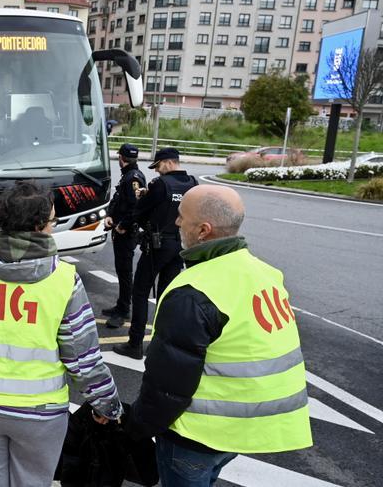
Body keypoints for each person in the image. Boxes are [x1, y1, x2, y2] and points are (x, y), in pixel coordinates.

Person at [127, 185, 312, 485]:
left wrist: (136, 426)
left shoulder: (193, 291)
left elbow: (167, 387)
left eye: (181, 217)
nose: (176, 222)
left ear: (203, 230)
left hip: (197, 436)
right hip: (243, 433)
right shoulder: (266, 274)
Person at [0, 181, 122, 487]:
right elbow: (83, 358)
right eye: (52, 221)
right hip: (41, 413)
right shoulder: (64, 280)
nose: (53, 226)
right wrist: (108, 405)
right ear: (39, 226)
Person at [114, 148, 197, 359]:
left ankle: (135, 343)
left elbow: (140, 211)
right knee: (165, 296)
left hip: (157, 245)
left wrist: (125, 224)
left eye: (158, 166)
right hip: (180, 246)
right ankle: (161, 343)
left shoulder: (161, 184)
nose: (157, 171)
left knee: (140, 292)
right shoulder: (192, 183)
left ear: (168, 163)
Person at [102, 143, 146, 325]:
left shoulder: (133, 178)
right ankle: (121, 305)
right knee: (121, 270)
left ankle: (123, 310)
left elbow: (136, 207)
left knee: (125, 272)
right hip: (121, 229)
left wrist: (123, 226)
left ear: (121, 158)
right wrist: (110, 215)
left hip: (126, 233)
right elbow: (119, 200)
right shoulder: (128, 176)